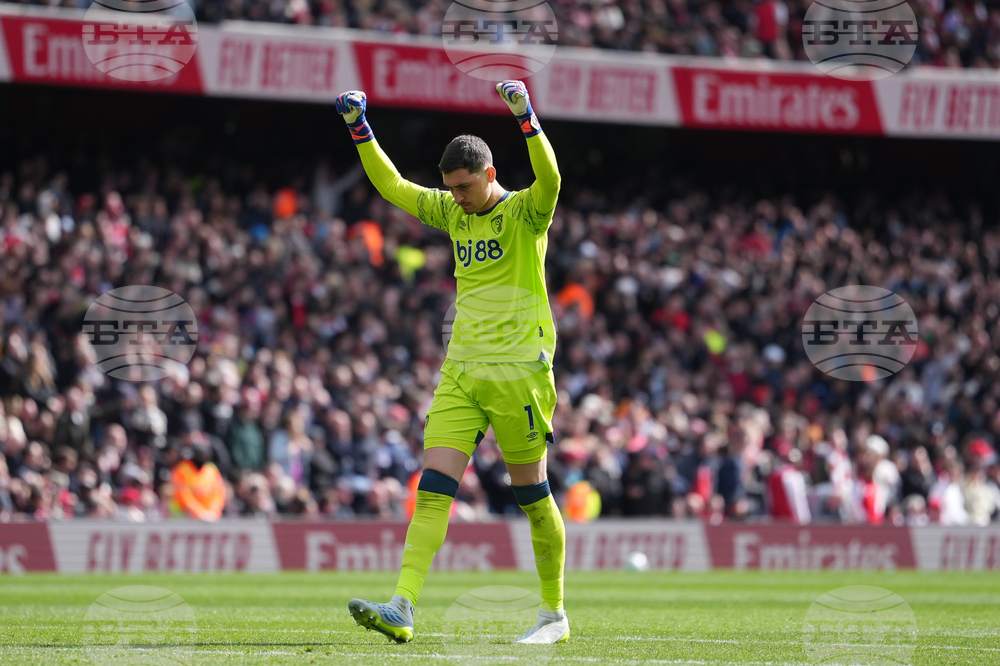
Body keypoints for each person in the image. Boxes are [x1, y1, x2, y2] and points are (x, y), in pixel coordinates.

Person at [335, 81, 567, 645]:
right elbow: (393, 186)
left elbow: (551, 180)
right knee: (433, 487)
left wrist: (526, 118)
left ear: (489, 175)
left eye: (464, 186)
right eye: (451, 189)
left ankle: (553, 614)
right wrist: (359, 128)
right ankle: (402, 605)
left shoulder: (525, 213)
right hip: (462, 371)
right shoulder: (452, 212)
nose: (456, 198)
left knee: (532, 496)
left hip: (518, 372)